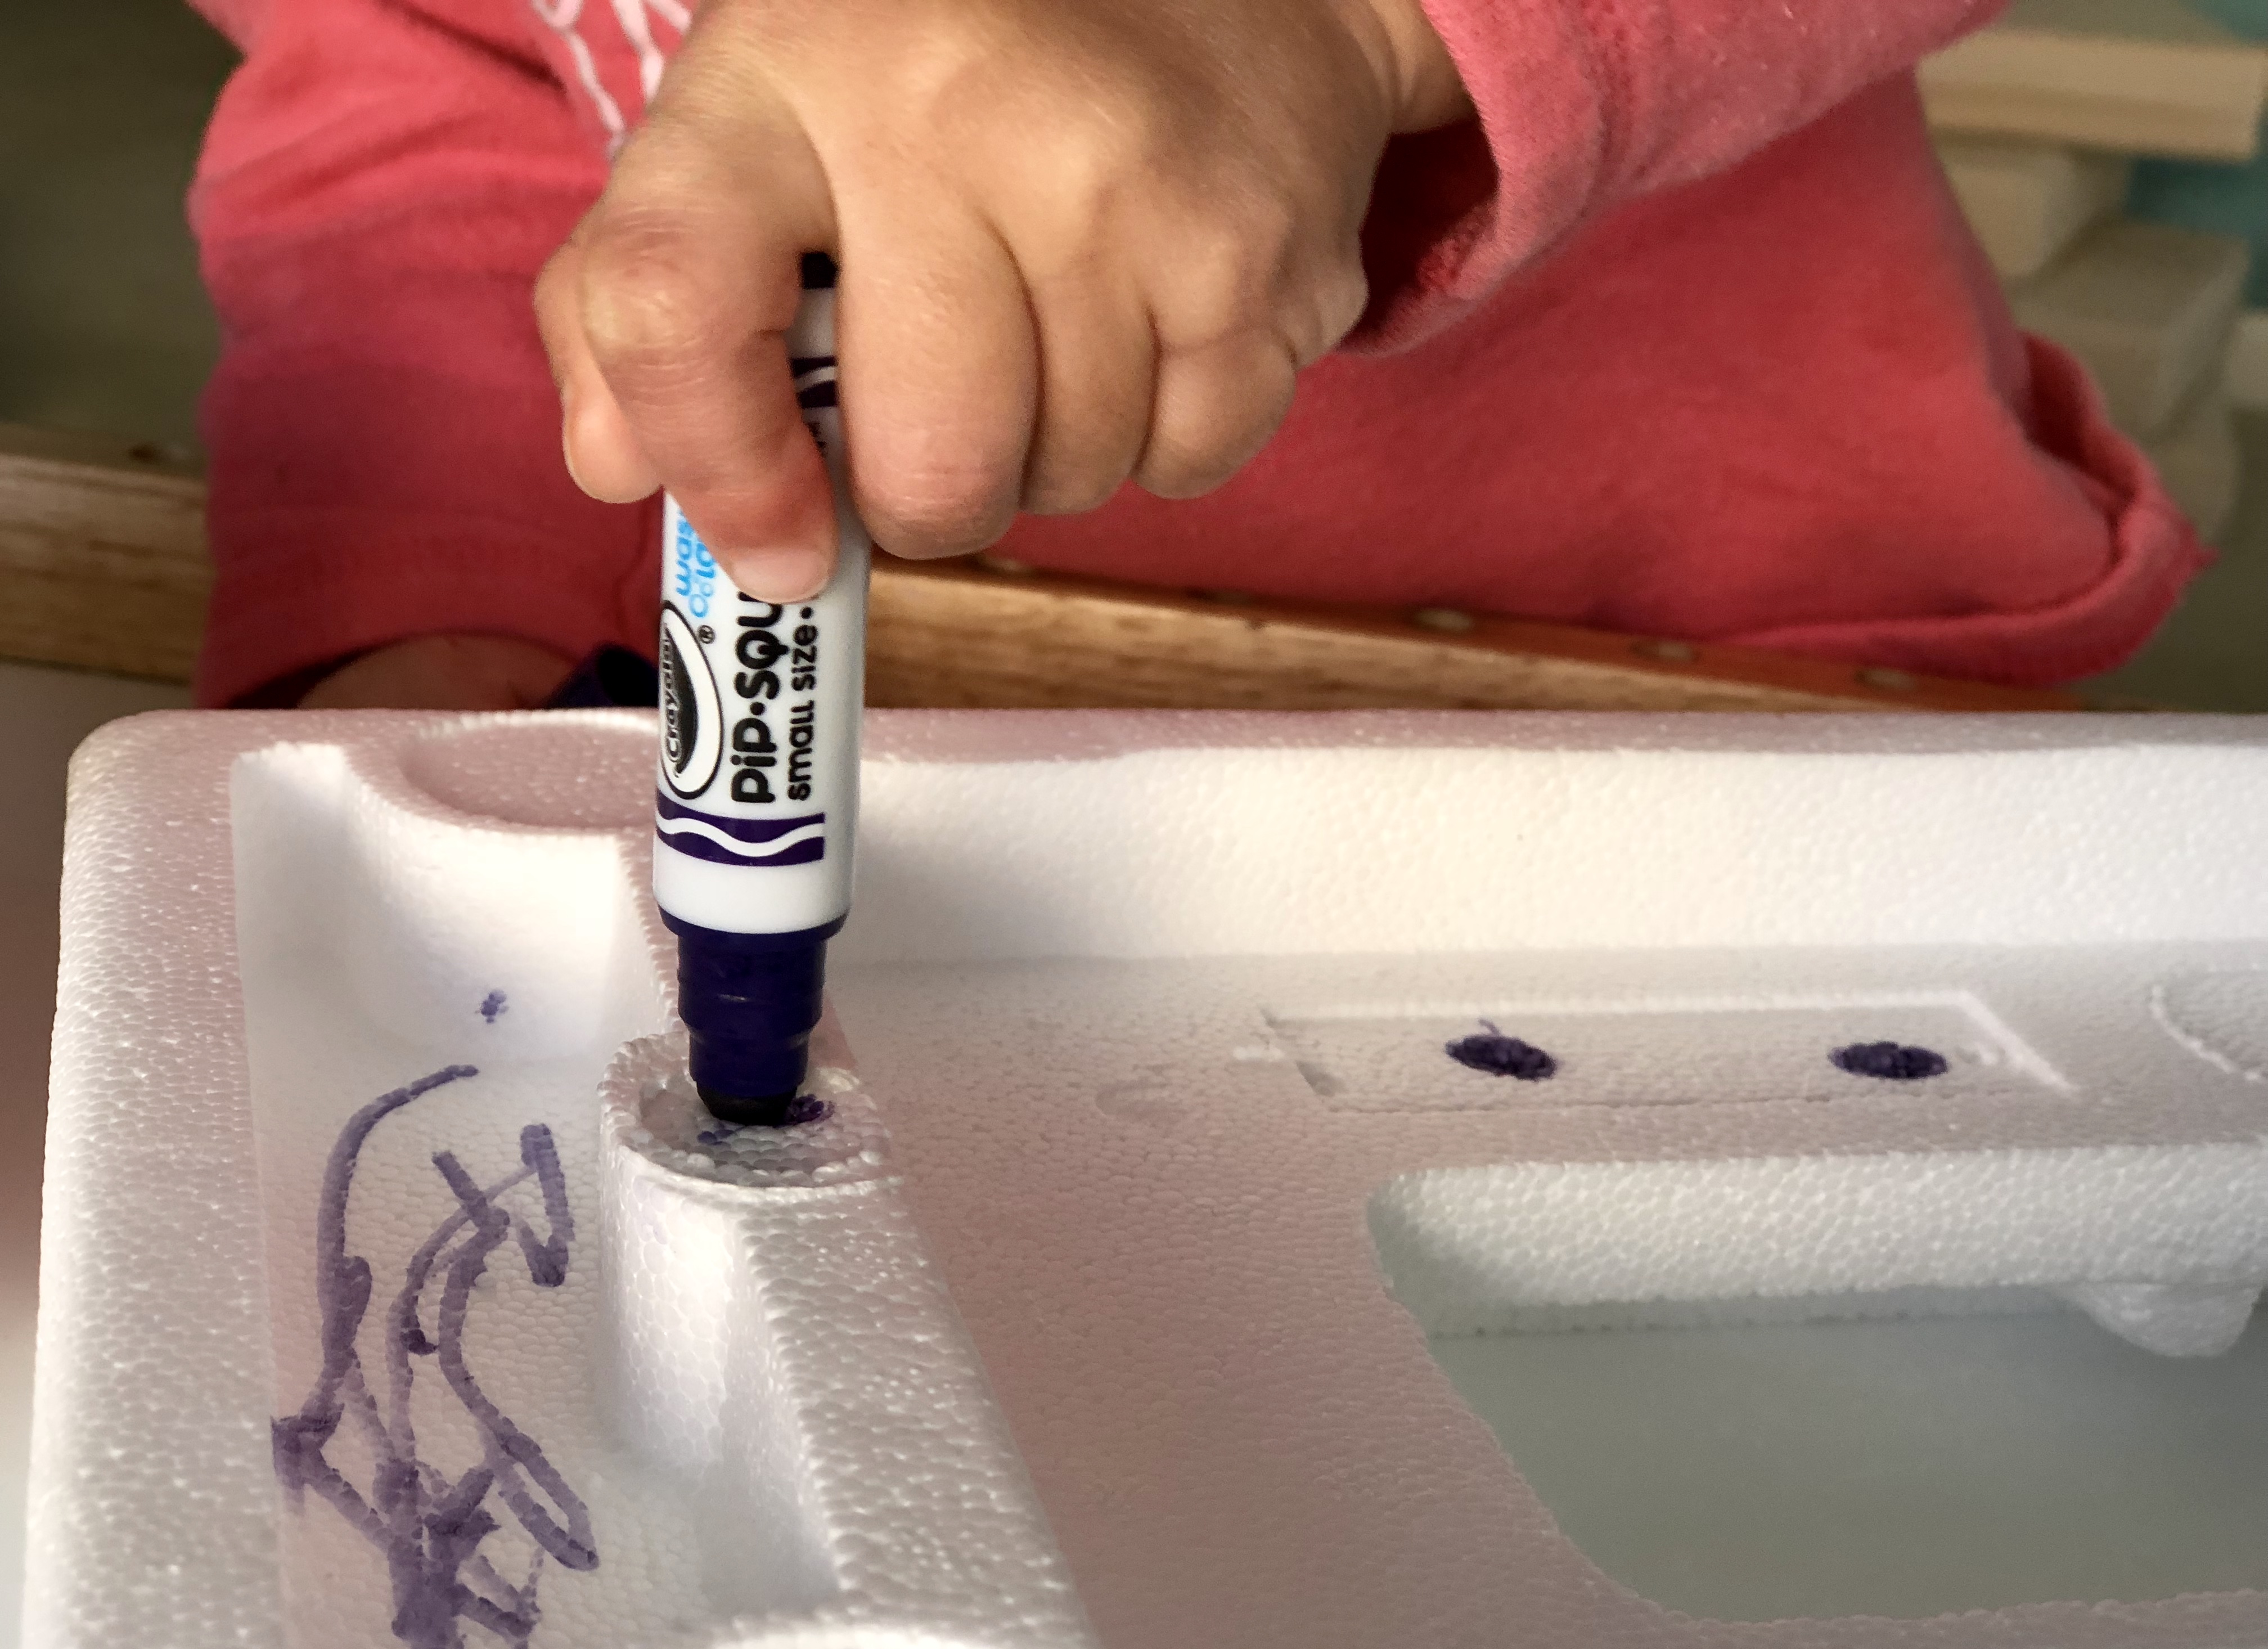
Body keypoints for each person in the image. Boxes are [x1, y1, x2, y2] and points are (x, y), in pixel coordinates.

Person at [185, 0, 2202, 710]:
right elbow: (425, 86)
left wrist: (1328, 25)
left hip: (1738, 678)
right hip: (947, 723)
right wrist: (426, 588)